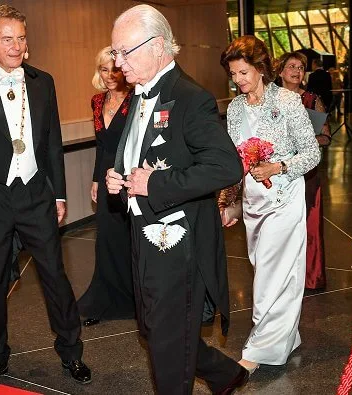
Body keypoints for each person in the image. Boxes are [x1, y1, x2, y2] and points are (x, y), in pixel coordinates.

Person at [0, 4, 91, 391]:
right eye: (7, 38)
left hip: (36, 196)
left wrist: (59, 194)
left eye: (21, 38)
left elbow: (52, 144)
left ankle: (71, 352)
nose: (15, 45)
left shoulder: (44, 81)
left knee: (55, 277)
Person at [105, 5, 247, 394]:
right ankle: (225, 374)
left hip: (176, 240)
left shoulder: (189, 98)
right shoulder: (139, 94)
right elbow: (140, 155)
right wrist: (120, 177)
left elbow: (225, 167)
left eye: (124, 52)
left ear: (157, 46)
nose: (118, 63)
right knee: (154, 328)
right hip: (141, 231)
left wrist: (157, 184)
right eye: (115, 52)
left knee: (166, 340)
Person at [220, 36, 321, 374]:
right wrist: (232, 201)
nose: (239, 80)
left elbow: (312, 153)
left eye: (244, 72)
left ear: (261, 69)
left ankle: (259, 349)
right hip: (253, 200)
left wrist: (278, 166)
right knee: (269, 270)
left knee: (269, 275)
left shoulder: (289, 102)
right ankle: (285, 338)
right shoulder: (235, 108)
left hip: (285, 196)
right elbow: (235, 161)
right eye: (233, 74)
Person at [76, 47, 135, 326]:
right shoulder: (97, 101)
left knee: (131, 239)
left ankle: (137, 300)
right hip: (105, 179)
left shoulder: (137, 99)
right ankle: (104, 299)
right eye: (103, 69)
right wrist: (95, 180)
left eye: (114, 68)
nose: (110, 75)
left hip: (131, 178)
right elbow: (101, 146)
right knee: (106, 241)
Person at [277, 51, 330, 291]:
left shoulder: (312, 100)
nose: (298, 71)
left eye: (301, 67)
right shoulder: (271, 100)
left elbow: (326, 137)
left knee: (309, 224)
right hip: (277, 173)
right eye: (292, 66)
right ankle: (282, 275)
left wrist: (305, 140)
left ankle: (310, 277)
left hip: (307, 172)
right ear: (280, 71)